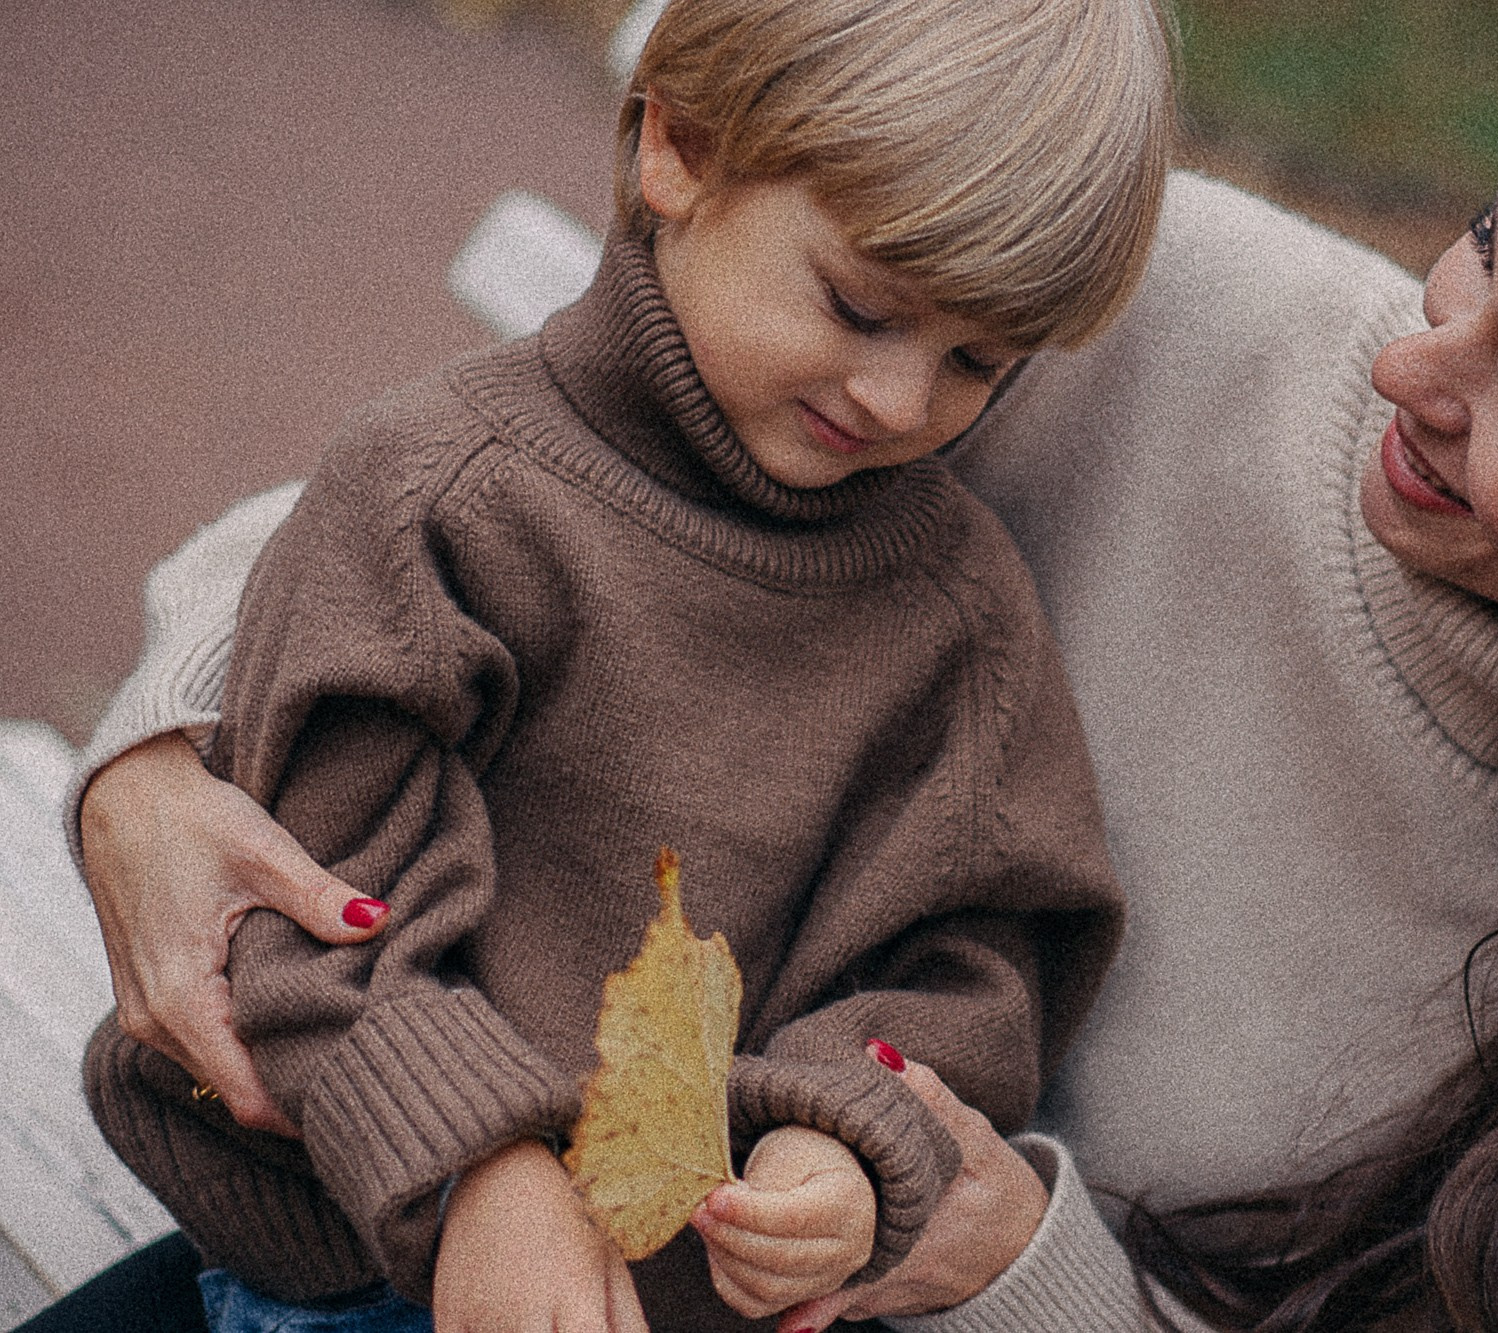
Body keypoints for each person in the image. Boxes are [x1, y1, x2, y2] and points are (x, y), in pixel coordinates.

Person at [44, 0, 1498, 1328]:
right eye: (1487, 240)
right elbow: (513, 487)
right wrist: (156, 770)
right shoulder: (1128, 307)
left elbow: (966, 959)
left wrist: (1008, 1259)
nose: (1406, 362)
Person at [70, 0, 1174, 1330]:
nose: (897, 399)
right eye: (861, 306)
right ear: (683, 150)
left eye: (977, 361)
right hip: (349, 1251)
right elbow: (312, 896)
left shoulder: (960, 620)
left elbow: (971, 954)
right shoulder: (443, 495)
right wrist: (478, 1163)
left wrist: (846, 1133)